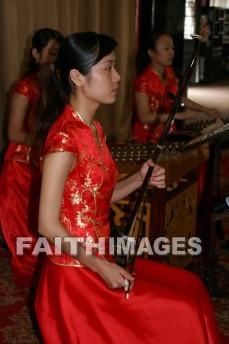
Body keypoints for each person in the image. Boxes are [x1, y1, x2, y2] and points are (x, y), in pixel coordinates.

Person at [34, 32, 222, 343]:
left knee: (191, 286)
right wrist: (100, 266)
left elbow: (97, 199)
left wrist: (138, 179)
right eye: (108, 68)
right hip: (77, 274)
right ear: (77, 77)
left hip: (101, 258)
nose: (117, 76)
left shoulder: (92, 128)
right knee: (183, 308)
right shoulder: (64, 141)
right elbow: (47, 224)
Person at [0, 28, 64, 288]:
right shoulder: (25, 86)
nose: (56, 59)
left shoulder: (57, 84)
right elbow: (13, 132)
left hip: (45, 163)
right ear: (36, 53)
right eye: (53, 53)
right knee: (27, 233)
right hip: (21, 167)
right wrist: (50, 142)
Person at [133, 31, 221, 143]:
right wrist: (179, 115)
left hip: (168, 130)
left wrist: (205, 109)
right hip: (148, 136)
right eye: (166, 49)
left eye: (172, 48)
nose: (171, 53)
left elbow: (179, 98)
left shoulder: (169, 73)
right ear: (151, 53)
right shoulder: (143, 80)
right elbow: (144, 117)